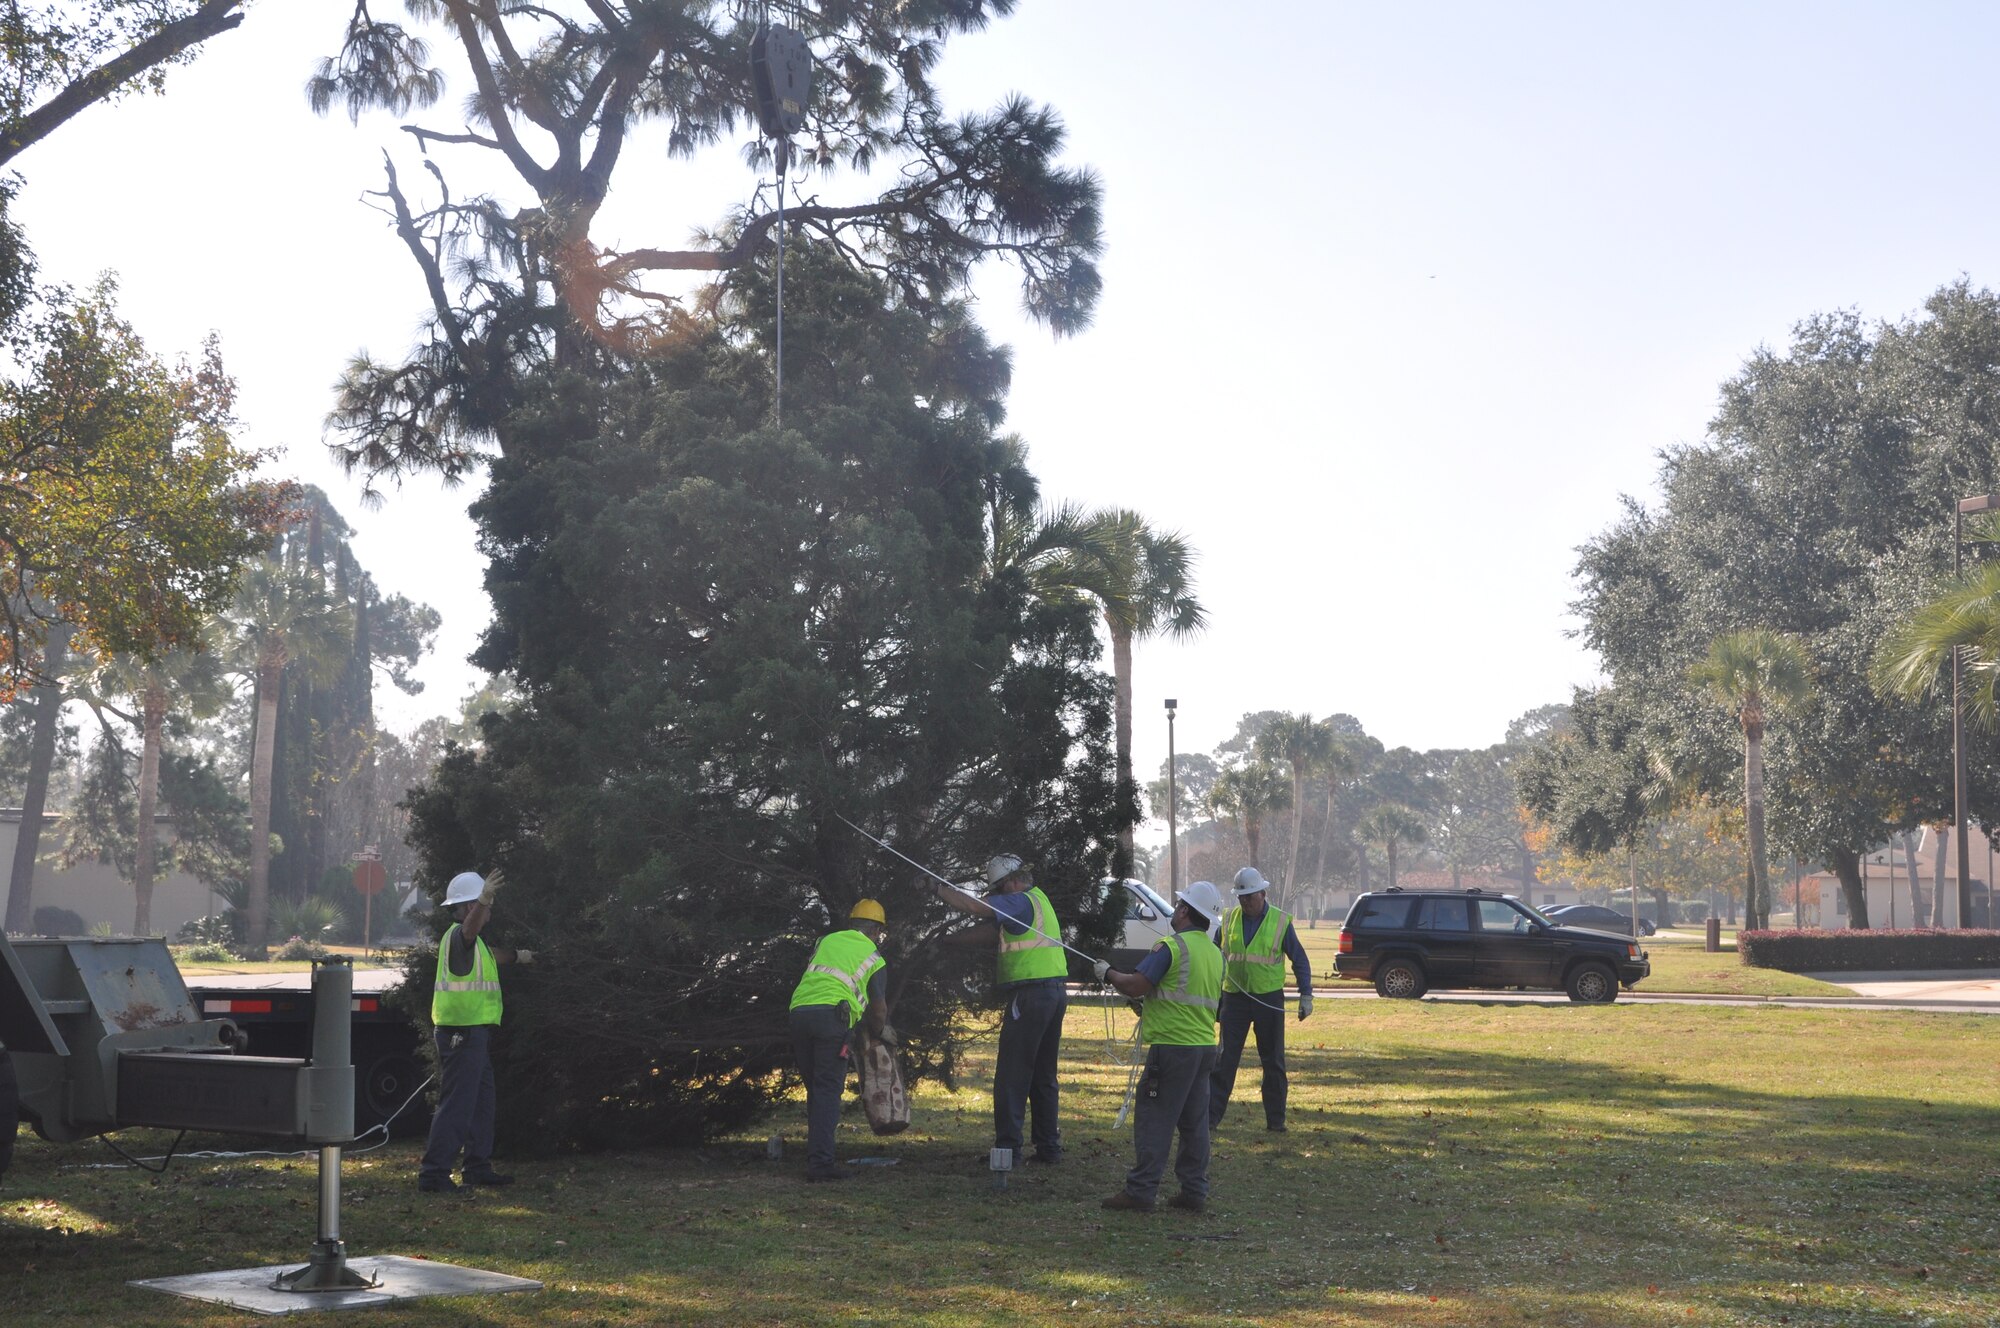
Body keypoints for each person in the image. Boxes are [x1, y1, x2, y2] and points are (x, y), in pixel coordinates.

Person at [1093, 879, 1225, 1214]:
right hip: (1204, 1049)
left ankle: (1141, 1192)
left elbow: (1136, 984)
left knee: (1154, 1119)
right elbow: (1183, 996)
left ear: (1184, 911)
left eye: (1178, 906)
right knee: (1195, 1125)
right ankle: (1194, 1191)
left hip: (1172, 1050)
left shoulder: (1170, 947)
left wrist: (1108, 972)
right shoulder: (1214, 954)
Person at [930, 853, 1067, 1166]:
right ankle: (1049, 1149)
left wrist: (936, 888)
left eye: (997, 889)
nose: (994, 895)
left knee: (1012, 1076)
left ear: (1012, 882)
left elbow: (978, 907)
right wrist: (951, 941)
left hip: (1029, 996)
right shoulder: (1036, 901)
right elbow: (994, 932)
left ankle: (1008, 1151)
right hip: (1053, 994)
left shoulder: (1019, 900)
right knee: (1043, 1076)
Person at [419, 869, 534, 1193]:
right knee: (456, 1104)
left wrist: (518, 957)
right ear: (471, 908)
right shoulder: (460, 936)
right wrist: (483, 899)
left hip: (473, 1034)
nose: (490, 910)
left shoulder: (474, 944)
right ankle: (434, 1175)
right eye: (485, 904)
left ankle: (477, 1167)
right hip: (462, 1034)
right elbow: (469, 933)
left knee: (482, 1103)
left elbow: (489, 954)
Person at [787, 899, 891, 1183]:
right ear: (877, 930)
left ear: (852, 923)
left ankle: (817, 1154)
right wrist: (879, 1031)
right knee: (826, 1092)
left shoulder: (827, 941)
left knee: (816, 1090)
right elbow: (878, 1008)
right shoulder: (874, 956)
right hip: (832, 1019)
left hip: (799, 1014)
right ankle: (821, 1164)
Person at [1208, 867, 1315, 1133]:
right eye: (1241, 897)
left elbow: (1299, 959)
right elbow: (1211, 956)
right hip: (1234, 999)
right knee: (1224, 1060)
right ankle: (1209, 1119)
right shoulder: (1229, 919)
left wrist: (1306, 994)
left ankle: (1276, 1121)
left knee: (1273, 1061)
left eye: (1250, 897)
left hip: (1268, 999)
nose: (1245, 902)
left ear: (1263, 894)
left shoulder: (1280, 921)